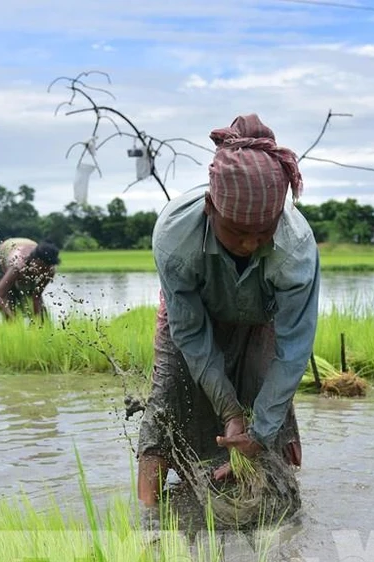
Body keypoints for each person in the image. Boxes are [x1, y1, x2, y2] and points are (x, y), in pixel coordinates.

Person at [136, 113, 320, 511]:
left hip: (262, 316)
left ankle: (287, 509)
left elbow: (293, 350)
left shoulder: (295, 249)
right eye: (237, 232)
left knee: (270, 407)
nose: (251, 244)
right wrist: (228, 412)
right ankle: (148, 517)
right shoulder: (175, 238)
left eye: (263, 232)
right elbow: (192, 335)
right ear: (210, 207)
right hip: (192, 314)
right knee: (168, 397)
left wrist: (255, 428)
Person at [0, 238, 60, 320]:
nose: (42, 271)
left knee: (41, 315)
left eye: (45, 269)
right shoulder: (17, 266)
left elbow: (36, 296)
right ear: (34, 261)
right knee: (8, 302)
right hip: (2, 254)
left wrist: (38, 322)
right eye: (41, 268)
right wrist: (12, 321)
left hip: (24, 247)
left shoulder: (49, 270)